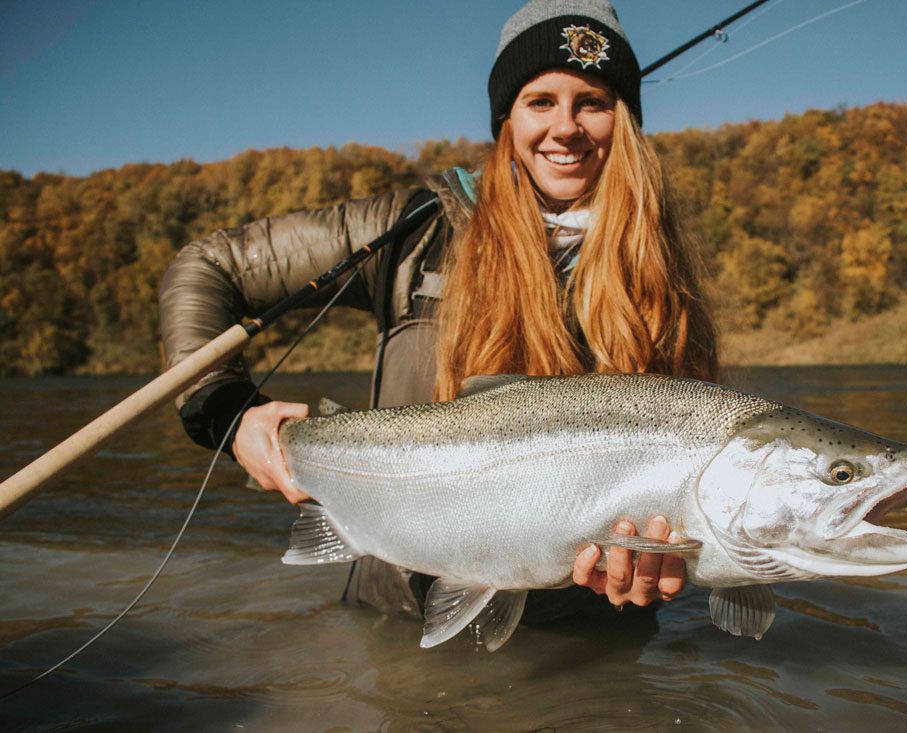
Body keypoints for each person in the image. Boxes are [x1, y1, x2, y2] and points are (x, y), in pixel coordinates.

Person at [158, 0, 718, 624]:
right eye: (540, 102)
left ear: (625, 121)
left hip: (592, 641)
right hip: (390, 617)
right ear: (506, 119)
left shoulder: (663, 273)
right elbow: (209, 266)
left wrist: (668, 562)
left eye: (592, 101)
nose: (566, 127)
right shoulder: (411, 231)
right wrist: (229, 412)